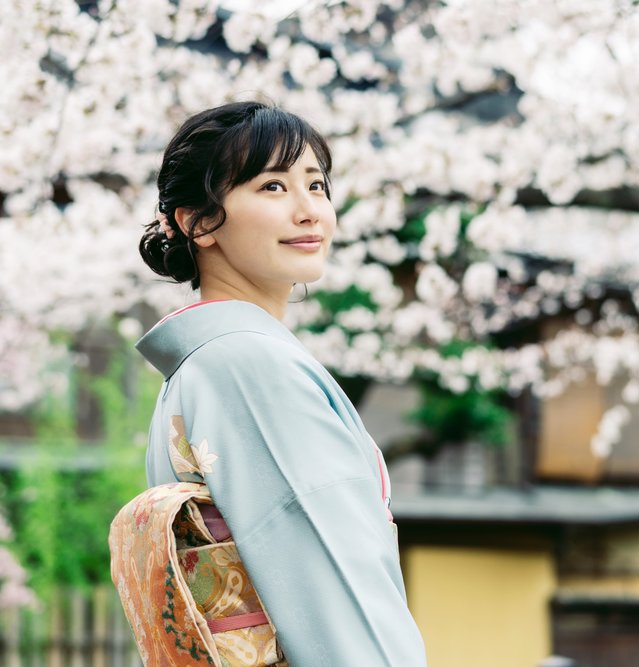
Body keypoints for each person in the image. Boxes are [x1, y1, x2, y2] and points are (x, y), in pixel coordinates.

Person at [134, 101, 427, 665]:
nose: (308, 210)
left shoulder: (204, 367)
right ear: (196, 221)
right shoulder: (248, 365)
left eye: (316, 186)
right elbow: (333, 579)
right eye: (272, 187)